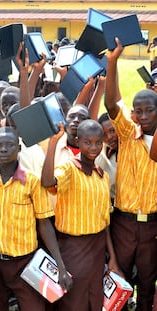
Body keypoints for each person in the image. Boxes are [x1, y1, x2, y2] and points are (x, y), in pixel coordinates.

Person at [0, 127, 72, 311]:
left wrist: (60, 266)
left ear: (19, 149)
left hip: (25, 262)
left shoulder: (32, 182)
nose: (4, 149)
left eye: (9, 145)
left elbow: (44, 224)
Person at [41, 120, 120, 311]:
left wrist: (113, 259)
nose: (93, 147)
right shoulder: (69, 169)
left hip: (98, 247)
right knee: (74, 301)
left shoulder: (102, 175)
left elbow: (105, 222)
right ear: (78, 142)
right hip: (74, 248)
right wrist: (53, 143)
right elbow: (47, 181)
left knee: (94, 298)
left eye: (98, 142)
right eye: (87, 142)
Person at [105, 37, 157, 311]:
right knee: (119, 281)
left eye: (150, 110)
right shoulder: (127, 134)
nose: (144, 115)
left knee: (148, 283)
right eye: (139, 111)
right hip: (124, 222)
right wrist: (113, 62)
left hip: (152, 225)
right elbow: (112, 104)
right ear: (134, 115)